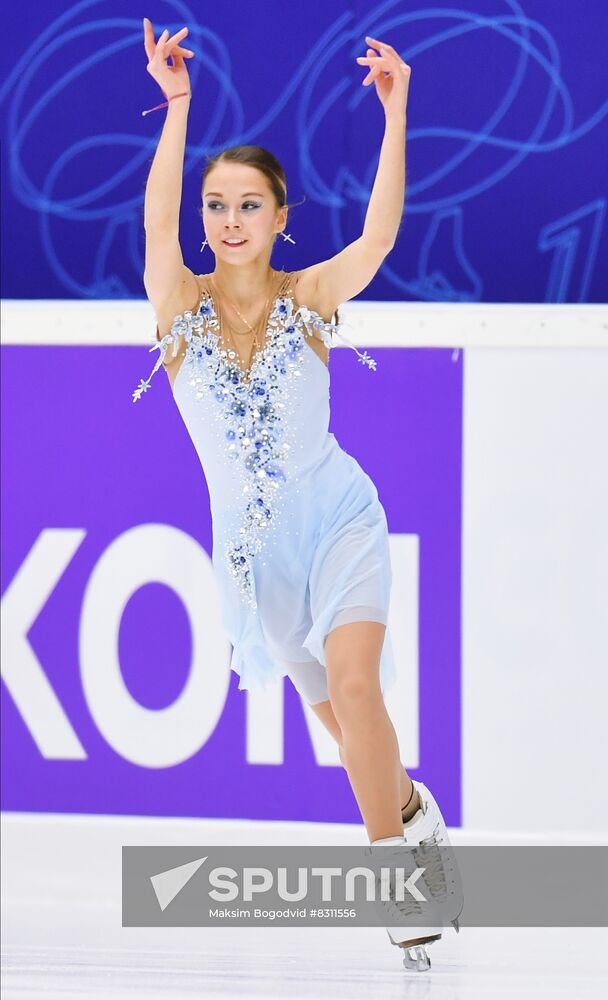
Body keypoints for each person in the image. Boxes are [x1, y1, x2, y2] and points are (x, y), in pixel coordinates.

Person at [136, 18, 462, 972]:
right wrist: (179, 105)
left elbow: (381, 235)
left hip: (339, 522)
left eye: (249, 204)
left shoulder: (311, 299)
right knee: (349, 734)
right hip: (256, 558)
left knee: (358, 687)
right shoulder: (179, 309)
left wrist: (396, 115)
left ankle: (396, 886)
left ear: (281, 216)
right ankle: (406, 808)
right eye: (217, 204)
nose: (228, 219)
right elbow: (155, 220)